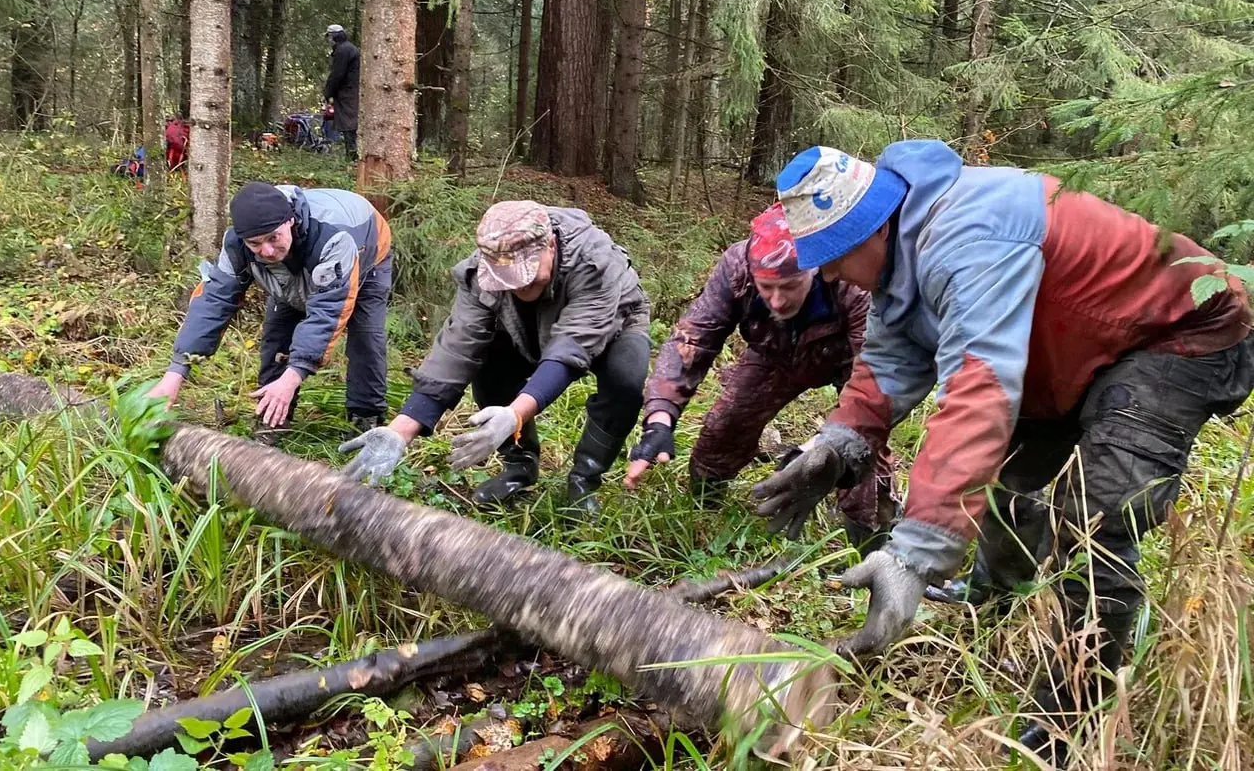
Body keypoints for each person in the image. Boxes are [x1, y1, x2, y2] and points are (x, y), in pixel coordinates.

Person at [755, 141, 1252, 764]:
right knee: (1004, 486)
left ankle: (1071, 714)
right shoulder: (901, 258)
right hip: (1075, 353)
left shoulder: (969, 234)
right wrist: (838, 443)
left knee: (1096, 515)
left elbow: (979, 389)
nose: (826, 275)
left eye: (831, 257)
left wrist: (912, 557)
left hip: (1176, 330)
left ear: (870, 229)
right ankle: (994, 599)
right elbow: (889, 361)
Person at [340, 200, 650, 512]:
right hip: (523, 325)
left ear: (551, 246)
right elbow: (457, 347)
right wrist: (400, 431)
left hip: (613, 323)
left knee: (625, 381)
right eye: (507, 279)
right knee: (488, 368)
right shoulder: (481, 270)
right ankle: (519, 465)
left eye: (524, 275)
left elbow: (571, 347)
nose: (517, 285)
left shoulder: (595, 261)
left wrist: (515, 414)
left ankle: (584, 479)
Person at [626, 202, 896, 547]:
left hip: (849, 361)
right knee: (725, 425)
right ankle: (704, 509)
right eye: (767, 288)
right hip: (774, 353)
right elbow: (694, 336)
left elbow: (876, 376)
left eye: (789, 285)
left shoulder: (849, 281)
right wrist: (660, 419)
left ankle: (872, 541)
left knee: (861, 443)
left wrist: (824, 445)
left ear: (815, 270)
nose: (778, 301)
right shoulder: (737, 266)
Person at [149, 182, 393, 439]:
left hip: (367, 251)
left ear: (289, 222)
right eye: (255, 243)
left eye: (273, 238)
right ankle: (274, 416)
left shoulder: (333, 238)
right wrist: (176, 372)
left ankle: (365, 416)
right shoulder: (237, 246)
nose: (266, 251)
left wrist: (295, 374)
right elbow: (214, 301)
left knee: (365, 335)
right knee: (277, 334)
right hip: (293, 269)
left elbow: (328, 313)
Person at [323, 24, 360, 162]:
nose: (328, 40)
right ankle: (352, 154)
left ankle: (351, 155)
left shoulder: (343, 50)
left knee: (349, 123)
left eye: (329, 36)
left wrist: (328, 92)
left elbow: (337, 74)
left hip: (348, 92)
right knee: (350, 123)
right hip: (350, 90)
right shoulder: (347, 48)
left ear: (334, 36)